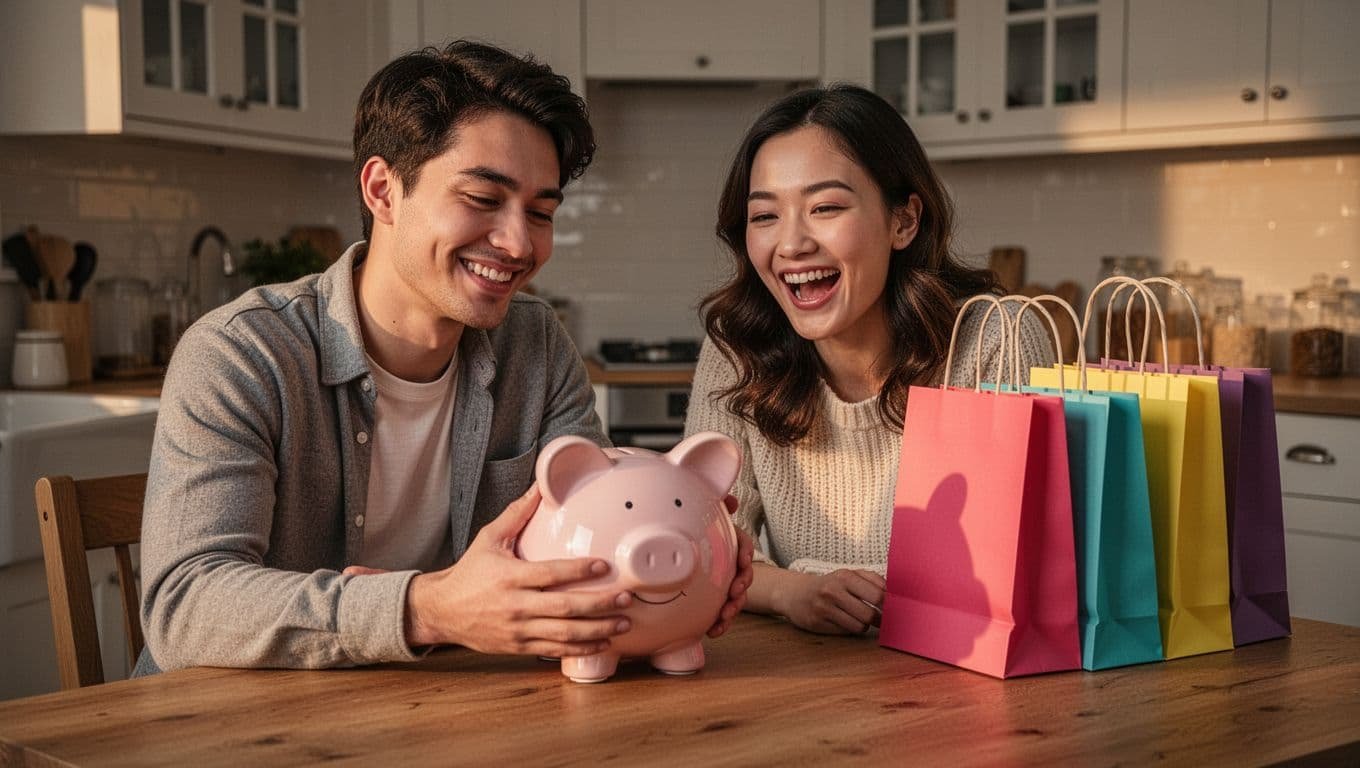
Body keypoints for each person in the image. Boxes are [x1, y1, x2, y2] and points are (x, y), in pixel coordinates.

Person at [136, 40, 752, 674]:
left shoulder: (535, 345)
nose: (518, 243)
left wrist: (691, 548)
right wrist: (426, 609)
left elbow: (587, 532)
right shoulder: (241, 356)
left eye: (540, 212)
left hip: (443, 709)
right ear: (383, 191)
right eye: (483, 200)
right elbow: (184, 605)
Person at [684, 84, 1053, 636]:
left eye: (825, 208)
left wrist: (811, 579)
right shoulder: (737, 351)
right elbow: (700, 546)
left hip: (963, 683)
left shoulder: (995, 341)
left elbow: (1010, 567)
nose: (791, 244)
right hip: (800, 685)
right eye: (764, 216)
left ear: (903, 221)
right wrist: (794, 593)